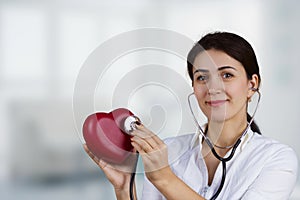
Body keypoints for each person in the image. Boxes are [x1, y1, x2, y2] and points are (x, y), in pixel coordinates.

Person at [84, 31, 298, 199]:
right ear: (193, 86)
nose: (213, 87)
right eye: (202, 78)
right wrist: (124, 188)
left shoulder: (276, 159)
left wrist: (164, 178)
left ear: (252, 84)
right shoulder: (169, 151)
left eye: (226, 75)